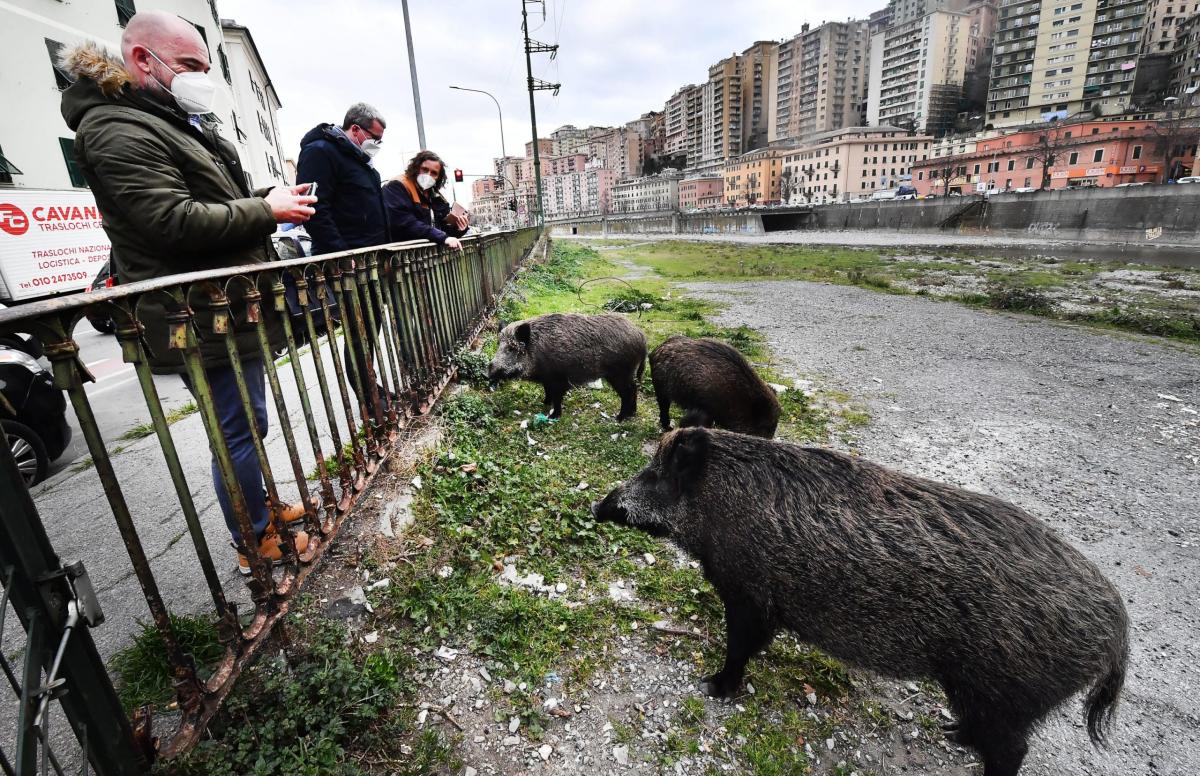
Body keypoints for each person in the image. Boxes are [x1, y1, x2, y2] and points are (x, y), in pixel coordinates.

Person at [61, 11, 316, 575]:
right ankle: (254, 541)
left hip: (220, 306)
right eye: (189, 65)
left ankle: (260, 510)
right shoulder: (116, 128)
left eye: (205, 65)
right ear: (142, 61)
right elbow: (171, 221)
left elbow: (206, 200)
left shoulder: (164, 119)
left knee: (248, 425)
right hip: (196, 314)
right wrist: (265, 211)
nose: (200, 76)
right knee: (235, 433)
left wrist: (263, 197)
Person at [295, 104, 391, 409]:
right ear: (355, 130)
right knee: (358, 331)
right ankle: (371, 400)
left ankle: (372, 390)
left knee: (368, 327)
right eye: (374, 136)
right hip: (347, 265)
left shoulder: (360, 162)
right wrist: (341, 254)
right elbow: (315, 208)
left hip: (369, 262)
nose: (376, 143)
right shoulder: (321, 152)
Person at [383, 151, 470, 249]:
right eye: (425, 170)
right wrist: (442, 237)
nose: (428, 175)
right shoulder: (398, 186)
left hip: (427, 256)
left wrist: (459, 228)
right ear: (416, 168)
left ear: (438, 177)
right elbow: (405, 223)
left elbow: (442, 229)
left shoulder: (436, 196)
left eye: (434, 173)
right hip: (404, 255)